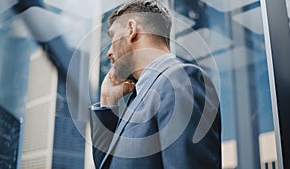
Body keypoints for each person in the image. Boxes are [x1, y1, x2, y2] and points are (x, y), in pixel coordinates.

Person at [89, 0, 221, 168]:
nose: (109, 53)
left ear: (131, 29)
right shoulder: (138, 100)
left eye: (112, 36)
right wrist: (107, 102)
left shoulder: (179, 79)